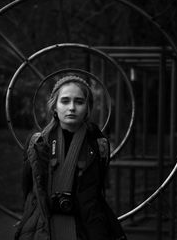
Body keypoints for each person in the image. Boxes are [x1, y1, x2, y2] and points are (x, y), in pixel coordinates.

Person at [15, 75, 127, 240]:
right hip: (43, 227)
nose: (72, 107)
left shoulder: (99, 145)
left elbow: (96, 191)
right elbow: (28, 189)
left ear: (88, 108)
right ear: (55, 106)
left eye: (79, 102)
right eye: (65, 101)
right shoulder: (37, 143)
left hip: (86, 228)